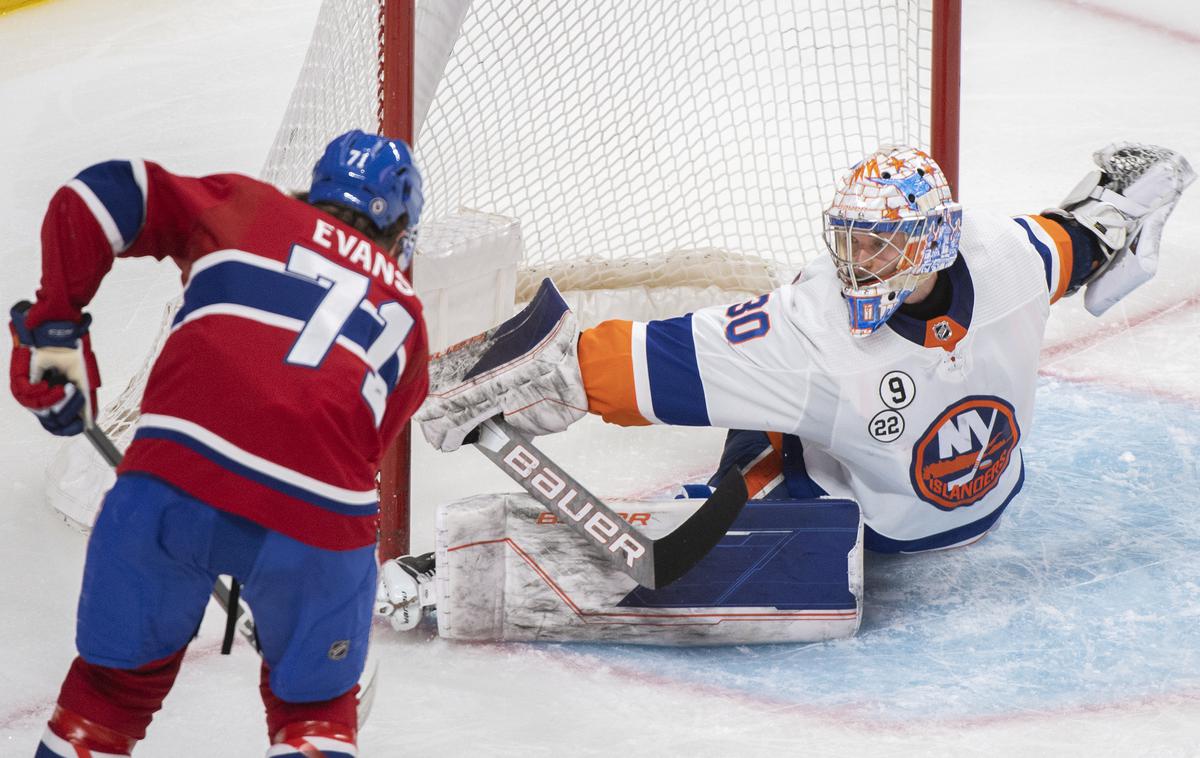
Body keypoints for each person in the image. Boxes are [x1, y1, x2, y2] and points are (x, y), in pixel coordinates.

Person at [376, 142, 1192, 642]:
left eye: (878, 247)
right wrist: (1126, 196)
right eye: (849, 243)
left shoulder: (809, 333)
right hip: (988, 499)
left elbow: (626, 368)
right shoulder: (1008, 256)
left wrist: (528, 377)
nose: (854, 266)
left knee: (712, 525)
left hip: (872, 525)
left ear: (933, 244)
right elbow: (1083, 236)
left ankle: (461, 572)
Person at [10, 130, 428, 757]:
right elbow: (357, 450)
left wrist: (56, 326)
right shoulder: (411, 318)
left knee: (107, 697)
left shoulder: (247, 206)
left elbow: (96, 194)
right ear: (399, 236)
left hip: (173, 482)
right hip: (319, 519)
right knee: (316, 714)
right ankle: (316, 728)